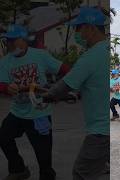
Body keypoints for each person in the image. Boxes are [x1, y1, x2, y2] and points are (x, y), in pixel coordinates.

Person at [42, 7, 109, 180]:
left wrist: (46, 96)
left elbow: (62, 87)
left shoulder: (90, 57)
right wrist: (77, 94)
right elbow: (97, 84)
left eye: (79, 28)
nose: (76, 33)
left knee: (82, 173)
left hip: (101, 131)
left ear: (90, 28)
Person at [0, 24, 69, 180]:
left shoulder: (40, 55)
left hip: (40, 114)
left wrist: (63, 90)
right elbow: (1, 83)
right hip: (17, 112)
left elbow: (65, 70)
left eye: (13, 40)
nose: (10, 44)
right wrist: (5, 88)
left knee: (43, 156)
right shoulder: (5, 62)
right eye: (8, 41)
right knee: (3, 137)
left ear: (23, 41)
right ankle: (18, 169)